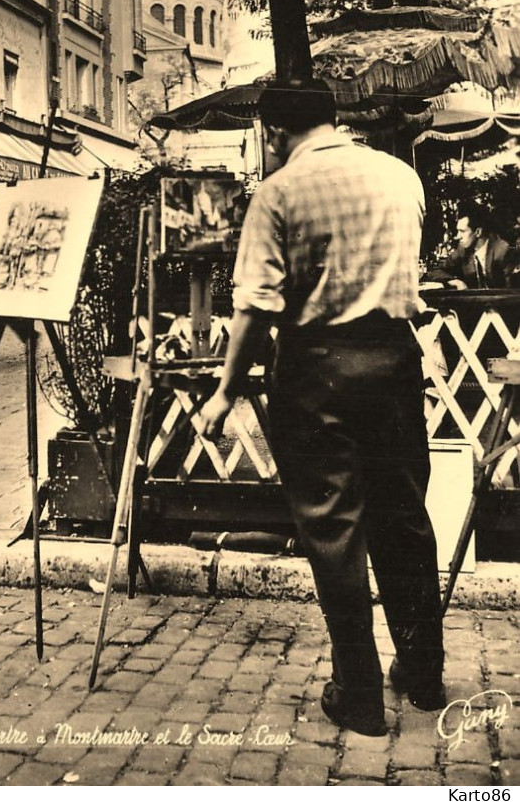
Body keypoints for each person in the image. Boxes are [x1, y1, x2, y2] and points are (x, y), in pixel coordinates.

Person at [201, 79, 445, 737]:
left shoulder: (276, 194)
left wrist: (225, 392)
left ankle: (358, 694)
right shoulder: (400, 178)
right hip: (394, 362)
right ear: (333, 120)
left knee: (332, 529)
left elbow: (254, 307)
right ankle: (423, 674)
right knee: (402, 517)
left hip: (317, 370)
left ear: (271, 133)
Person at [429, 200, 512, 289]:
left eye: (462, 231)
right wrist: (455, 282)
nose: (457, 236)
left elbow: (513, 293)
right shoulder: (462, 251)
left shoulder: (502, 251)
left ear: (478, 232)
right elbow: (434, 271)